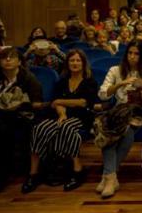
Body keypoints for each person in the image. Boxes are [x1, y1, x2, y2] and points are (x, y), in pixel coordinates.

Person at [22, 49, 98, 193]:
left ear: (83, 63)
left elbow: (83, 102)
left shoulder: (90, 81)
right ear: (67, 63)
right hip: (60, 115)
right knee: (40, 128)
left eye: (78, 60)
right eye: (71, 60)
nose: (75, 63)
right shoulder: (62, 81)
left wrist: (60, 101)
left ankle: (76, 170)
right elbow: (57, 105)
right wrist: (61, 113)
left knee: (67, 128)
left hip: (82, 117)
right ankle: (34, 173)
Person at [97, 40, 142, 198]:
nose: (132, 57)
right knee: (112, 130)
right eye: (130, 53)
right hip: (120, 111)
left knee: (126, 129)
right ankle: (111, 176)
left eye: (136, 54)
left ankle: (108, 176)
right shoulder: (115, 70)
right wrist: (120, 84)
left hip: (140, 111)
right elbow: (103, 94)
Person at [0, 47, 42, 191]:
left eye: (12, 57)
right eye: (4, 58)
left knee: (4, 130)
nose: (8, 60)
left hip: (23, 115)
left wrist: (18, 105)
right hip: (2, 115)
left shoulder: (28, 78)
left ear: (19, 61)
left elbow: (37, 103)